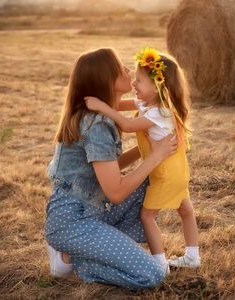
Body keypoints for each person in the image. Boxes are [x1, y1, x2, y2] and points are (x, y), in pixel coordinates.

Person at [44, 48, 177, 290]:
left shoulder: (99, 112)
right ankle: (75, 260)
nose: (128, 71)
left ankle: (86, 248)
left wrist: (144, 150)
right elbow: (116, 192)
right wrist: (155, 156)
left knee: (153, 185)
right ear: (105, 79)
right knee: (151, 276)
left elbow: (110, 170)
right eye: (121, 69)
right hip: (73, 219)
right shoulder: (96, 124)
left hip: (94, 209)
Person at [85, 47, 200, 274]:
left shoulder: (159, 113)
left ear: (157, 87)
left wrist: (100, 107)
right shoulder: (150, 104)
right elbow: (118, 106)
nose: (134, 84)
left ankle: (159, 265)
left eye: (139, 80)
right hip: (178, 171)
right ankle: (193, 256)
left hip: (166, 175)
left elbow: (127, 125)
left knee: (147, 216)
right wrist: (101, 100)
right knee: (186, 211)